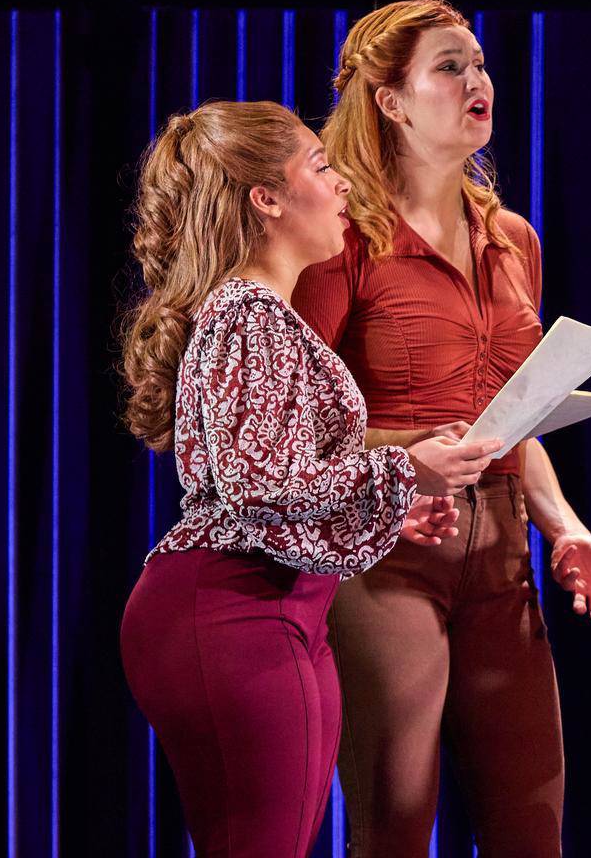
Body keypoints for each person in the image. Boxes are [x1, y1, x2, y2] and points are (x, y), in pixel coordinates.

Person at [294, 0, 591, 855]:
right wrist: (414, 450)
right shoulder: (342, 239)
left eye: (479, 64)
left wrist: (567, 526)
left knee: (533, 824)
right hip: (387, 551)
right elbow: (299, 428)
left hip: (504, 551)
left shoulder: (513, 237)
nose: (477, 81)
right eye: (450, 67)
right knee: (399, 821)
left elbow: (516, 418)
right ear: (392, 102)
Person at [118, 100, 497, 856]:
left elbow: (283, 483)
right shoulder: (247, 312)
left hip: (273, 609)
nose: (346, 186)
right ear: (268, 199)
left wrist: (390, 504)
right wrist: (403, 466)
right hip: (234, 612)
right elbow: (257, 485)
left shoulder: (260, 314)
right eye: (322, 169)